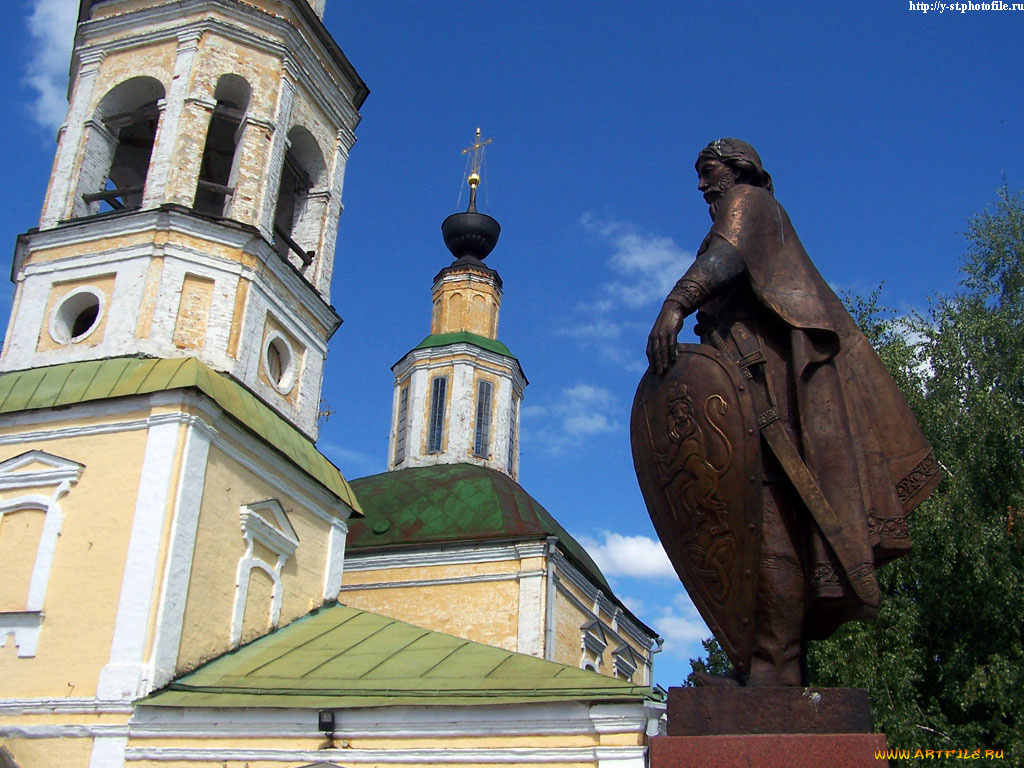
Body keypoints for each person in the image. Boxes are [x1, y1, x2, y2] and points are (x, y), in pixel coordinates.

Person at [645, 139, 939, 686]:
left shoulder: (751, 204)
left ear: (738, 170)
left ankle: (774, 669)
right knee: (762, 530)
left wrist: (675, 304)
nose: (703, 186)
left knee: (771, 528)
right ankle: (766, 665)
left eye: (709, 173)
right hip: (750, 396)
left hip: (770, 395)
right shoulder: (740, 211)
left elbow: (725, 259)